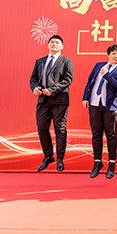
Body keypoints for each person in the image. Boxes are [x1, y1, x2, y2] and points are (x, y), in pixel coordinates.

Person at [82, 44, 117, 179]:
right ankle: (97, 162)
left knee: (111, 135)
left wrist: (106, 74)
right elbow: (90, 81)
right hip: (94, 103)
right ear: (108, 55)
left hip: (110, 106)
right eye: (113, 53)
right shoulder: (99, 65)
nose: (116, 56)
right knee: (96, 134)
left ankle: (112, 164)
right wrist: (85, 97)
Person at [29, 35, 73, 172]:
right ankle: (48, 156)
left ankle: (60, 159)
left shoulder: (66, 61)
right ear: (48, 45)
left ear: (62, 46)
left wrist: (52, 90)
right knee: (42, 128)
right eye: (52, 42)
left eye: (57, 42)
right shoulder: (40, 61)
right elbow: (33, 78)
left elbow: (68, 80)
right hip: (43, 100)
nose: (54, 44)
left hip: (59, 101)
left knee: (60, 129)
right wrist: (34, 88)